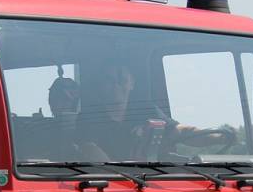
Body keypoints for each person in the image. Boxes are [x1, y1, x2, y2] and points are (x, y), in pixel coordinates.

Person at [78, 64, 230, 161]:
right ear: (101, 85)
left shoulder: (145, 110)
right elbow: (89, 149)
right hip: (109, 184)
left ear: (132, 83)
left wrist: (219, 138)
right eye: (110, 80)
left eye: (122, 80)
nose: (117, 85)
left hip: (147, 179)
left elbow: (180, 132)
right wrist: (119, 174)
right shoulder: (89, 118)